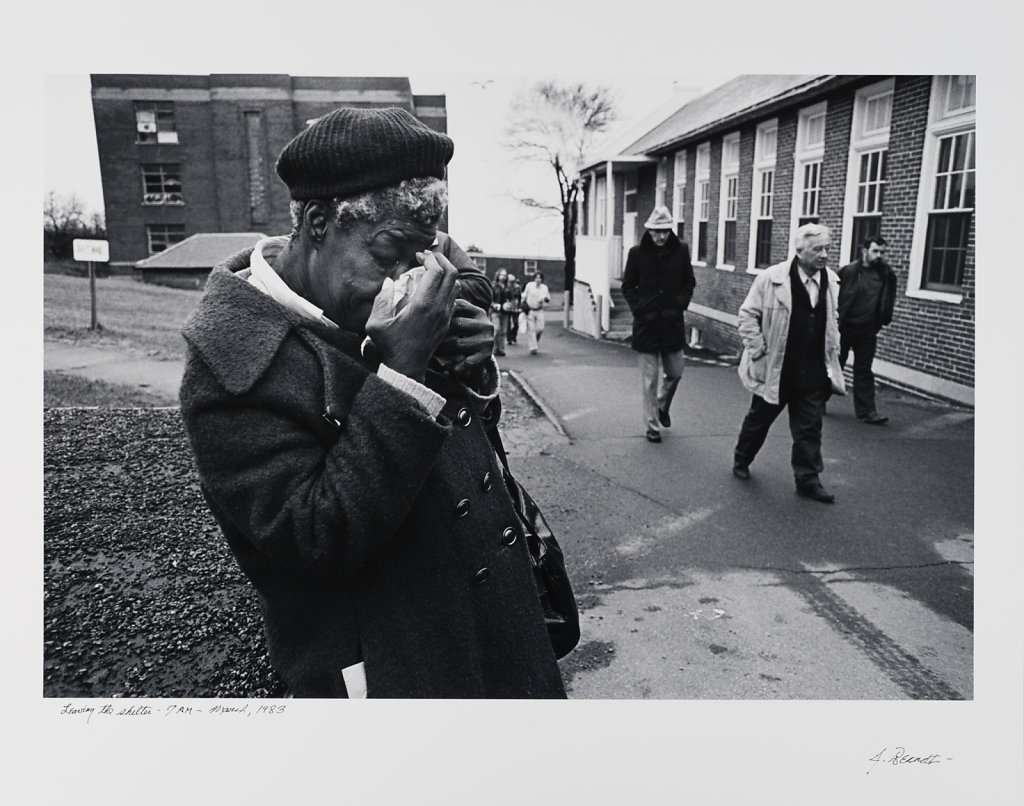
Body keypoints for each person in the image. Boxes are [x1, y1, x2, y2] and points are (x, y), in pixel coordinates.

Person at [178, 107, 567, 698]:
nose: (407, 280)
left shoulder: (384, 299)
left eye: (421, 256)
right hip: (398, 667)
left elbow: (470, 449)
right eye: (389, 254)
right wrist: (403, 373)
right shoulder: (234, 359)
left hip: (498, 629)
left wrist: (474, 369)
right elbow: (312, 538)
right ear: (315, 221)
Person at [732, 223, 847, 503]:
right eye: (817, 249)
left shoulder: (831, 281)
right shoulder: (771, 279)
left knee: (809, 428)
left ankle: (808, 479)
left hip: (812, 371)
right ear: (799, 250)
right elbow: (747, 315)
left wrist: (834, 348)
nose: (824, 255)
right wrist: (758, 349)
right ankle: (742, 459)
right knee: (758, 421)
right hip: (777, 369)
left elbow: (832, 320)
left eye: (827, 249)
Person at [621, 206, 696, 444]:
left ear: (670, 230)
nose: (660, 236)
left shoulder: (681, 251)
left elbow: (688, 282)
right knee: (649, 381)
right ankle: (652, 425)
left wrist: (679, 305)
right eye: (656, 231)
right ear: (649, 231)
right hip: (646, 327)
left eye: (664, 231)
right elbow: (628, 286)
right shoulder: (636, 253)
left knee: (675, 373)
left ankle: (662, 406)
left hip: (672, 324)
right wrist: (639, 309)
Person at [837, 236, 897, 425]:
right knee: (834, 365)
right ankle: (817, 402)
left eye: (882, 252)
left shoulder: (886, 274)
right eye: (875, 251)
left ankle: (868, 412)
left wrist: (883, 319)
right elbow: (834, 294)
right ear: (864, 251)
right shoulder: (848, 272)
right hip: (845, 326)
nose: (879, 255)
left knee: (864, 369)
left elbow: (889, 298)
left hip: (868, 329)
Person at [522, 271, 550, 354]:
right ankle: (533, 348)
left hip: (539, 310)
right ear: (534, 278)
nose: (538, 279)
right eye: (536, 278)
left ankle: (535, 342)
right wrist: (522, 304)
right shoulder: (529, 285)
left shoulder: (544, 288)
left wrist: (545, 299)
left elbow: (548, 299)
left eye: (540, 278)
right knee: (531, 329)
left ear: (542, 279)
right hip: (530, 310)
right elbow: (524, 295)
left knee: (540, 329)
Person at [489, 268, 509, 356]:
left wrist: (509, 304)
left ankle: (501, 349)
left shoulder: (508, 287)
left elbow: (512, 299)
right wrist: (494, 305)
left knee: (503, 331)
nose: (503, 277)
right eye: (502, 275)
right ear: (498, 275)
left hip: (505, 311)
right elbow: (489, 299)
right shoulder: (493, 286)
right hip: (495, 311)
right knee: (496, 330)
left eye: (505, 275)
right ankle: (493, 349)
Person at [504, 273, 522, 344]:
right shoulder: (505, 288)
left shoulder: (517, 288)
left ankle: (513, 335)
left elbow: (519, 298)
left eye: (513, 281)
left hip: (516, 307)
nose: (511, 283)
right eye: (510, 281)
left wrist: (519, 306)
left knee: (516, 323)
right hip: (508, 307)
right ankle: (509, 338)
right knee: (508, 324)